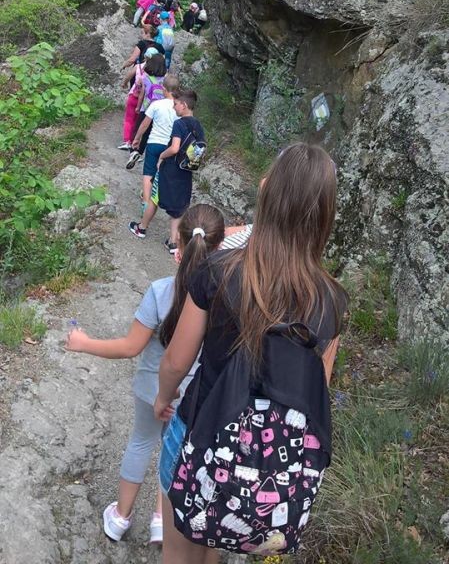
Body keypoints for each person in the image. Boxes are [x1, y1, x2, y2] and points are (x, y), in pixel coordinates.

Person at [154, 142, 347, 563]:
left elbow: (176, 361)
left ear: (266, 192)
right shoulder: (331, 302)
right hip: (265, 464)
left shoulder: (220, 271)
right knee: (214, 542)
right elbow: (315, 391)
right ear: (325, 214)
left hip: (198, 431)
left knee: (179, 552)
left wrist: (162, 398)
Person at [65, 203, 225, 546]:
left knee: (140, 442)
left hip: (151, 388)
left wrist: (84, 343)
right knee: (176, 451)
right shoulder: (224, 298)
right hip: (193, 396)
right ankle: (160, 520)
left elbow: (130, 347)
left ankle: (120, 518)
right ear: (220, 248)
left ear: (178, 244)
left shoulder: (161, 290)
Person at [128, 89, 205, 251]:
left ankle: (141, 228)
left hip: (170, 169)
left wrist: (162, 156)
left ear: (184, 105)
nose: (173, 107)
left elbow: (174, 148)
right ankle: (173, 242)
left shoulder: (179, 123)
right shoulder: (198, 125)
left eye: (175, 104)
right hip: (186, 170)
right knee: (179, 206)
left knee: (154, 198)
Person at [127, 74, 179, 197]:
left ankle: (146, 200)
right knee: (163, 171)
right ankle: (157, 195)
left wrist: (137, 139)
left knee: (148, 173)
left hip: (153, 143)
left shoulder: (156, 104)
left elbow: (144, 124)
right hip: (169, 146)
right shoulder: (179, 108)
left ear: (163, 88)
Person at [126, 52, 167, 168]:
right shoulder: (165, 79)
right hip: (159, 111)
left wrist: (138, 107)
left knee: (138, 129)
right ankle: (141, 152)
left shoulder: (146, 78)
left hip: (146, 109)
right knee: (148, 133)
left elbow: (142, 95)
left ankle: (134, 151)